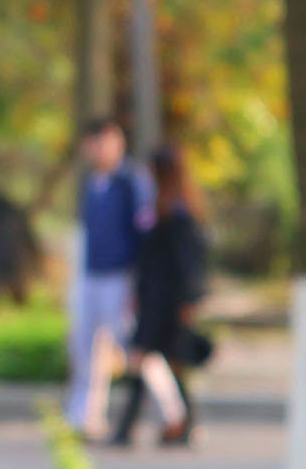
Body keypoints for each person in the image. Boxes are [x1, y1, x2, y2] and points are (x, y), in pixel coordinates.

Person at [108, 143, 209, 447]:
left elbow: (186, 263)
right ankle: (171, 426)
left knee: (151, 361)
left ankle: (135, 429)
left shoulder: (177, 213)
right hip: (154, 299)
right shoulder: (160, 208)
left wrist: (188, 300)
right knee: (157, 363)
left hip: (166, 303)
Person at [64, 117, 154, 438]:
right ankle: (83, 415)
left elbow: (143, 231)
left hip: (120, 274)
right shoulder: (92, 183)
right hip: (93, 273)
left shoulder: (131, 180)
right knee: (85, 346)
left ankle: (172, 410)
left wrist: (137, 280)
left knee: (132, 344)